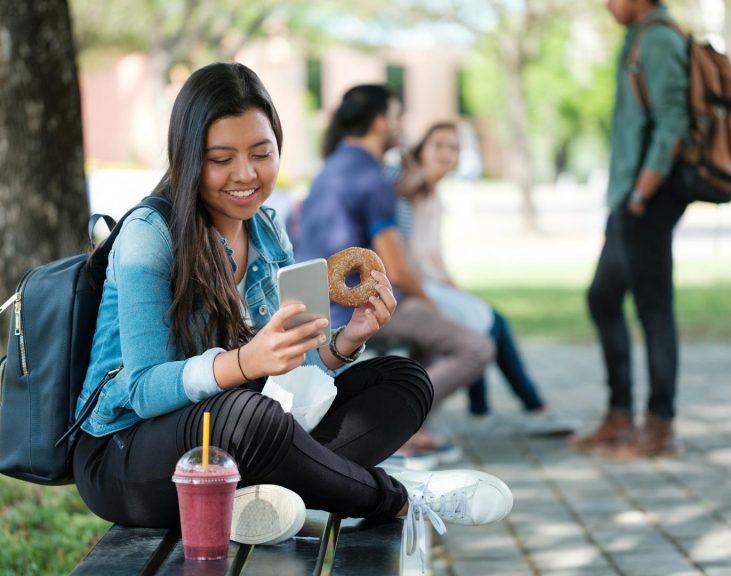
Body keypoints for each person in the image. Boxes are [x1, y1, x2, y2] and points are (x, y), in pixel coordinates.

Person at [71, 63, 512, 552]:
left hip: (244, 432)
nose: (246, 174)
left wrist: (345, 343)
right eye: (222, 159)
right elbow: (145, 389)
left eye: (262, 153)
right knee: (247, 414)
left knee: (404, 380)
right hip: (125, 452)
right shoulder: (149, 237)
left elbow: (290, 374)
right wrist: (243, 364)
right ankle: (402, 497)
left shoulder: (266, 229)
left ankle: (260, 499)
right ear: (189, 157)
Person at [295, 85, 495, 465]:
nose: (402, 126)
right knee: (476, 347)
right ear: (381, 122)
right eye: (398, 117)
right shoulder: (373, 179)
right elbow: (397, 268)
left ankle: (414, 427)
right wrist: (430, 302)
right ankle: (396, 427)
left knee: (433, 339)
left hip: (319, 306)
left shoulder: (331, 167)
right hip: (355, 314)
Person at [393, 122, 574, 437]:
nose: (447, 153)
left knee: (487, 319)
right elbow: (408, 255)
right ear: (422, 149)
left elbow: (435, 256)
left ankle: (487, 409)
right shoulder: (413, 187)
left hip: (433, 283)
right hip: (415, 288)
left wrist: (455, 289)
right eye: (439, 145)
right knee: (492, 324)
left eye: (453, 148)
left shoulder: (435, 196)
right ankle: (530, 407)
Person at [571, 0, 691, 458]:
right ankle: (620, 415)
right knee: (603, 297)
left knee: (654, 310)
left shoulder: (659, 39)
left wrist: (641, 194)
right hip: (629, 199)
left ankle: (660, 427)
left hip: (649, 198)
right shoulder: (639, 36)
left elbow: (674, 122)